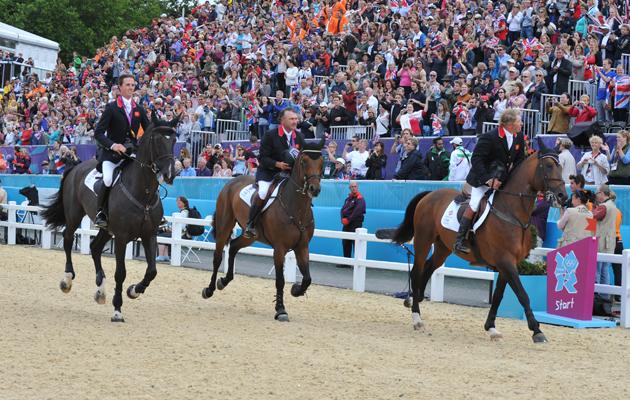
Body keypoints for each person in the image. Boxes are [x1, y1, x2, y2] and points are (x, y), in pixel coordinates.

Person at [454, 109, 526, 255]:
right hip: (483, 179)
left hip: (502, 178)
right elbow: (476, 160)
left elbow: (519, 160)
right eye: (519, 121)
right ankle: (459, 240)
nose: (522, 123)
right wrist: (488, 180)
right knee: (474, 204)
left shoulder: (518, 137)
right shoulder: (489, 137)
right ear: (510, 124)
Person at [93, 73, 150, 228]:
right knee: (108, 179)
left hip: (131, 154)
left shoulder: (139, 109)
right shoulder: (112, 108)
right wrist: (113, 145)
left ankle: (151, 212)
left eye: (133, 85)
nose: (131, 88)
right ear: (119, 87)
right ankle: (101, 212)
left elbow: (149, 131)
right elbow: (98, 133)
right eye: (128, 85)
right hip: (112, 155)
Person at [244, 108, 303, 239]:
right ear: (282, 121)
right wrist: (278, 164)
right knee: (263, 192)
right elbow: (262, 158)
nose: (295, 121)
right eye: (291, 119)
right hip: (269, 171)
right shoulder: (270, 135)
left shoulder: (299, 136)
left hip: (289, 174)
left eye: (296, 119)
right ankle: (250, 224)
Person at [593, 184, 617, 291]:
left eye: (597, 193)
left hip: (601, 244)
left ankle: (597, 300)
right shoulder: (613, 205)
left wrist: (593, 205)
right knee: (605, 274)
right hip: (609, 243)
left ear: (602, 193)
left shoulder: (604, 207)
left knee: (597, 273)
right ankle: (605, 301)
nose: (596, 196)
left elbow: (591, 216)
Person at [337, 181, 366, 268]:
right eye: (352, 186)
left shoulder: (360, 199)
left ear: (358, 187)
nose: (353, 188)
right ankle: (346, 262)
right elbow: (342, 210)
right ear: (349, 188)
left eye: (355, 186)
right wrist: (343, 219)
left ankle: (357, 264)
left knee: (356, 243)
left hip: (355, 223)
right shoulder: (347, 199)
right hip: (347, 223)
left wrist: (348, 220)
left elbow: (357, 212)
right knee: (346, 242)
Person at [156, 196, 190, 262]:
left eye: (180, 201)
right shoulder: (183, 212)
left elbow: (182, 227)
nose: (178, 202)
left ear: (184, 203)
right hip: (182, 233)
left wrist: (172, 230)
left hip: (182, 234)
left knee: (162, 235)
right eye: (177, 201)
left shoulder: (183, 213)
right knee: (165, 234)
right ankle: (166, 255)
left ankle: (161, 255)